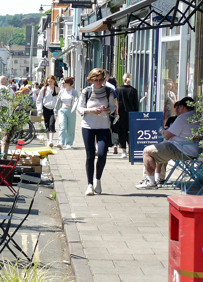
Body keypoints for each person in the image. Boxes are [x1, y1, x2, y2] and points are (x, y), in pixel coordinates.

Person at [136, 98, 199, 189]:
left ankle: (150, 181)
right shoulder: (197, 116)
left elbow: (167, 135)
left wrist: (162, 130)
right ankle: (157, 177)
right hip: (194, 150)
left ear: (182, 107)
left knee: (147, 151)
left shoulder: (182, 118)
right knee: (159, 150)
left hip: (181, 149)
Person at [79, 68, 115, 196]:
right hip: (88, 126)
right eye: (96, 80)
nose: (99, 82)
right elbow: (80, 107)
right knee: (90, 155)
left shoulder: (108, 91)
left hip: (103, 126)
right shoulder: (86, 91)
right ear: (91, 79)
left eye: (101, 80)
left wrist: (107, 109)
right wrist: (91, 110)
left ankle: (97, 180)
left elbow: (113, 107)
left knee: (102, 154)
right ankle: (89, 185)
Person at [115, 74, 140, 158]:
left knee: (121, 132)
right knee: (130, 132)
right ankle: (130, 149)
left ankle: (123, 151)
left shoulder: (118, 90)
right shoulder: (134, 90)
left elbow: (116, 102)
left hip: (120, 113)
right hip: (131, 114)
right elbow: (136, 104)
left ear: (123, 79)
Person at [36, 75, 60, 148]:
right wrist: (39, 110)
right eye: (48, 81)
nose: (50, 82)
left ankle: (51, 140)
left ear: (54, 81)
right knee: (47, 124)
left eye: (51, 81)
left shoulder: (58, 89)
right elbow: (39, 99)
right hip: (46, 108)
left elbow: (60, 99)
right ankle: (48, 139)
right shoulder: (44, 89)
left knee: (52, 124)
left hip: (54, 109)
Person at [56, 77, 77, 149]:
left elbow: (76, 101)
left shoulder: (74, 92)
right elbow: (58, 101)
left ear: (69, 83)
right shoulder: (62, 91)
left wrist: (74, 109)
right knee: (62, 126)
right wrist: (55, 111)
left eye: (65, 83)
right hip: (62, 110)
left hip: (71, 110)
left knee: (70, 128)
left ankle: (69, 143)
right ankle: (60, 142)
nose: (63, 84)